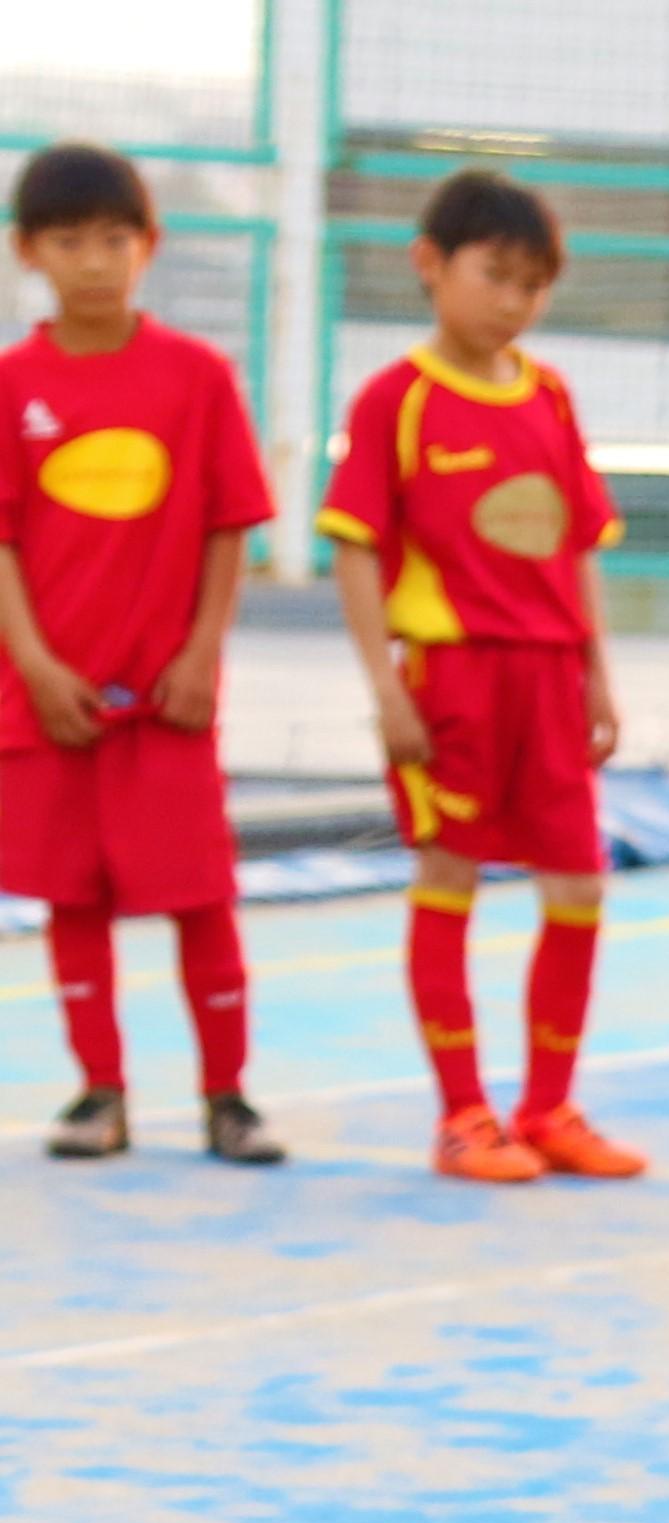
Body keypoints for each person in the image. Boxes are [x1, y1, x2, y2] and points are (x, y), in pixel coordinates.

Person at [320, 167, 636, 1188]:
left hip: (550, 684)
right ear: (430, 265)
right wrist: (386, 688)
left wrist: (597, 674)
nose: (513, 301)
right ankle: (463, 1115)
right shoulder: (396, 402)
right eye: (495, 275)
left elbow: (578, 544)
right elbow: (358, 549)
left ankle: (549, 1106)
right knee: (449, 875)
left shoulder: (550, 396)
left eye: (532, 284)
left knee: (580, 885)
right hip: (453, 682)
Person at [0, 147, 282, 1168]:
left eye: (114, 240)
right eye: (69, 242)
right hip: (54, 702)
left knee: (200, 896)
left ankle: (228, 1095)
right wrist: (31, 663)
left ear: (148, 247)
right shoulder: (10, 386)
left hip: (167, 703)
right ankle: (100, 1092)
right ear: (28, 252)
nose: (93, 262)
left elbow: (228, 523)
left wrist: (202, 653)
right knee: (73, 898)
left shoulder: (196, 378)